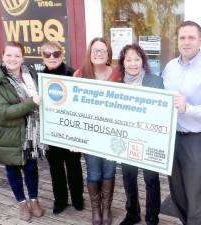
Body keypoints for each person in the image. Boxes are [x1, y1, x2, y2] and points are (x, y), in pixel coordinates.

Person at [162, 20, 201, 225]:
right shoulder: (170, 67)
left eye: (191, 37)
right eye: (182, 37)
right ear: (177, 41)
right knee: (177, 191)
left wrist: (188, 108)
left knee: (196, 194)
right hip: (172, 138)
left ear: (200, 40)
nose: (186, 42)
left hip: (197, 140)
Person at [0, 41, 46, 221]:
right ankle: (21, 203)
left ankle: (33, 199)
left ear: (22, 58)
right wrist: (30, 103)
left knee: (30, 167)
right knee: (12, 168)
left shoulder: (31, 73)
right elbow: (4, 112)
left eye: (17, 55)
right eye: (9, 55)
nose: (13, 59)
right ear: (3, 56)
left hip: (30, 132)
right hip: (7, 132)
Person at [74, 37, 120, 225]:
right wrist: (75, 138)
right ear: (90, 53)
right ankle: (96, 210)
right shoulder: (80, 74)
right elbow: (73, 109)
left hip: (112, 134)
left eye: (103, 50)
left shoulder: (118, 74)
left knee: (109, 171)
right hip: (89, 134)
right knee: (93, 173)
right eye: (95, 50)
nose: (99, 53)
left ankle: (107, 209)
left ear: (108, 53)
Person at [117, 43, 163, 225]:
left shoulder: (156, 81)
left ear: (142, 61)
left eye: (137, 59)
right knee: (129, 177)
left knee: (151, 179)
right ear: (123, 63)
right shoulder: (117, 85)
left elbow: (162, 113)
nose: (133, 63)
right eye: (129, 59)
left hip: (149, 139)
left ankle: (152, 217)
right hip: (127, 139)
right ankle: (132, 214)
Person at [40, 41, 84, 214]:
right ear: (42, 58)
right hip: (51, 131)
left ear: (62, 55)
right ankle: (60, 200)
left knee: (74, 167)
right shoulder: (38, 78)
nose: (52, 57)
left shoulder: (74, 74)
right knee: (55, 169)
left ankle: (78, 198)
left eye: (56, 54)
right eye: (47, 54)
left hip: (71, 130)